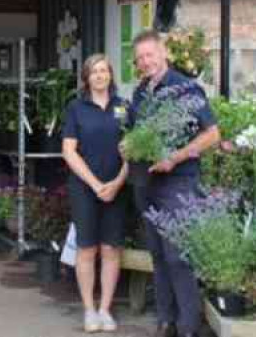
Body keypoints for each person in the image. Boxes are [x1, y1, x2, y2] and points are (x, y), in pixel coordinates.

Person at [127, 30, 220, 337]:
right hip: (146, 182)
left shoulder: (185, 88)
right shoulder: (141, 92)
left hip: (178, 182)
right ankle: (165, 321)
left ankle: (188, 326)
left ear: (163, 52)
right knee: (157, 253)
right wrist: (125, 146)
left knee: (177, 256)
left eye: (149, 55)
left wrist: (176, 157)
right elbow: (130, 132)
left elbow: (212, 135)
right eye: (140, 58)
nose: (145, 62)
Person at [62, 53, 130, 333]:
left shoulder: (124, 107)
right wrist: (95, 184)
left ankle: (106, 309)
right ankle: (89, 310)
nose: (100, 76)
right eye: (94, 72)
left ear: (111, 75)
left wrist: (117, 182)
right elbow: (69, 151)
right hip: (84, 189)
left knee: (111, 248)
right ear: (86, 78)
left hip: (117, 188)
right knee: (87, 248)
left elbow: (133, 149)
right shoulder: (76, 108)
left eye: (104, 71)